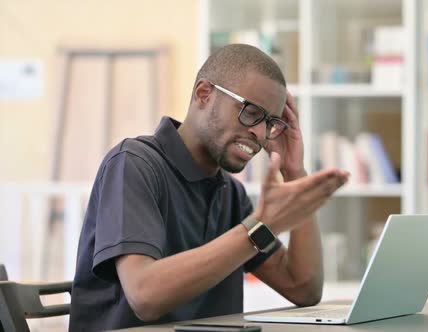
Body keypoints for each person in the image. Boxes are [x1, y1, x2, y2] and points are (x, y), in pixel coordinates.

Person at [68, 44, 349, 331]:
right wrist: (260, 226)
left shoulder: (230, 193)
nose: (261, 133)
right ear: (204, 94)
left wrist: (294, 173)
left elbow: (303, 288)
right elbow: (145, 295)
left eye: (270, 123)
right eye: (251, 112)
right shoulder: (134, 164)